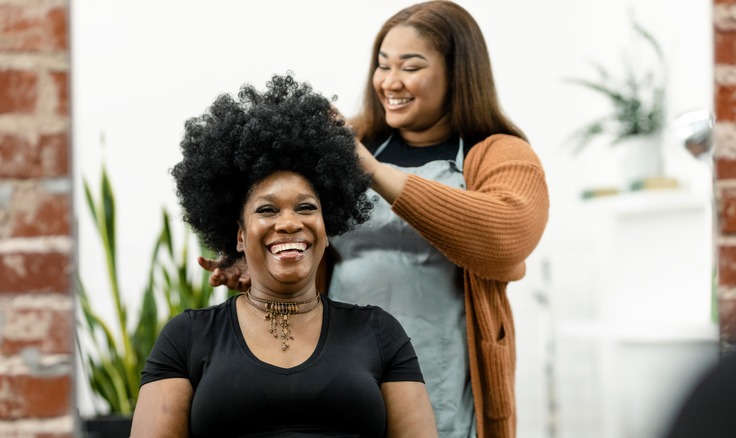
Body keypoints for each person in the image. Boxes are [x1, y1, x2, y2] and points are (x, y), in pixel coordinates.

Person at [201, 2, 549, 436]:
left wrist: (372, 170)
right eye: (383, 66)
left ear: (458, 72)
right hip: (340, 368)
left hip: (440, 372)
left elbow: (506, 239)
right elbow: (292, 223)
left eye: (411, 66)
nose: (390, 82)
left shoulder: (498, 154)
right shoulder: (355, 141)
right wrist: (254, 262)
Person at [130, 74, 438, 438]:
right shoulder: (187, 338)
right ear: (240, 236)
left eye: (306, 207)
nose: (289, 223)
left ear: (327, 229)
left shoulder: (379, 333)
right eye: (267, 210)